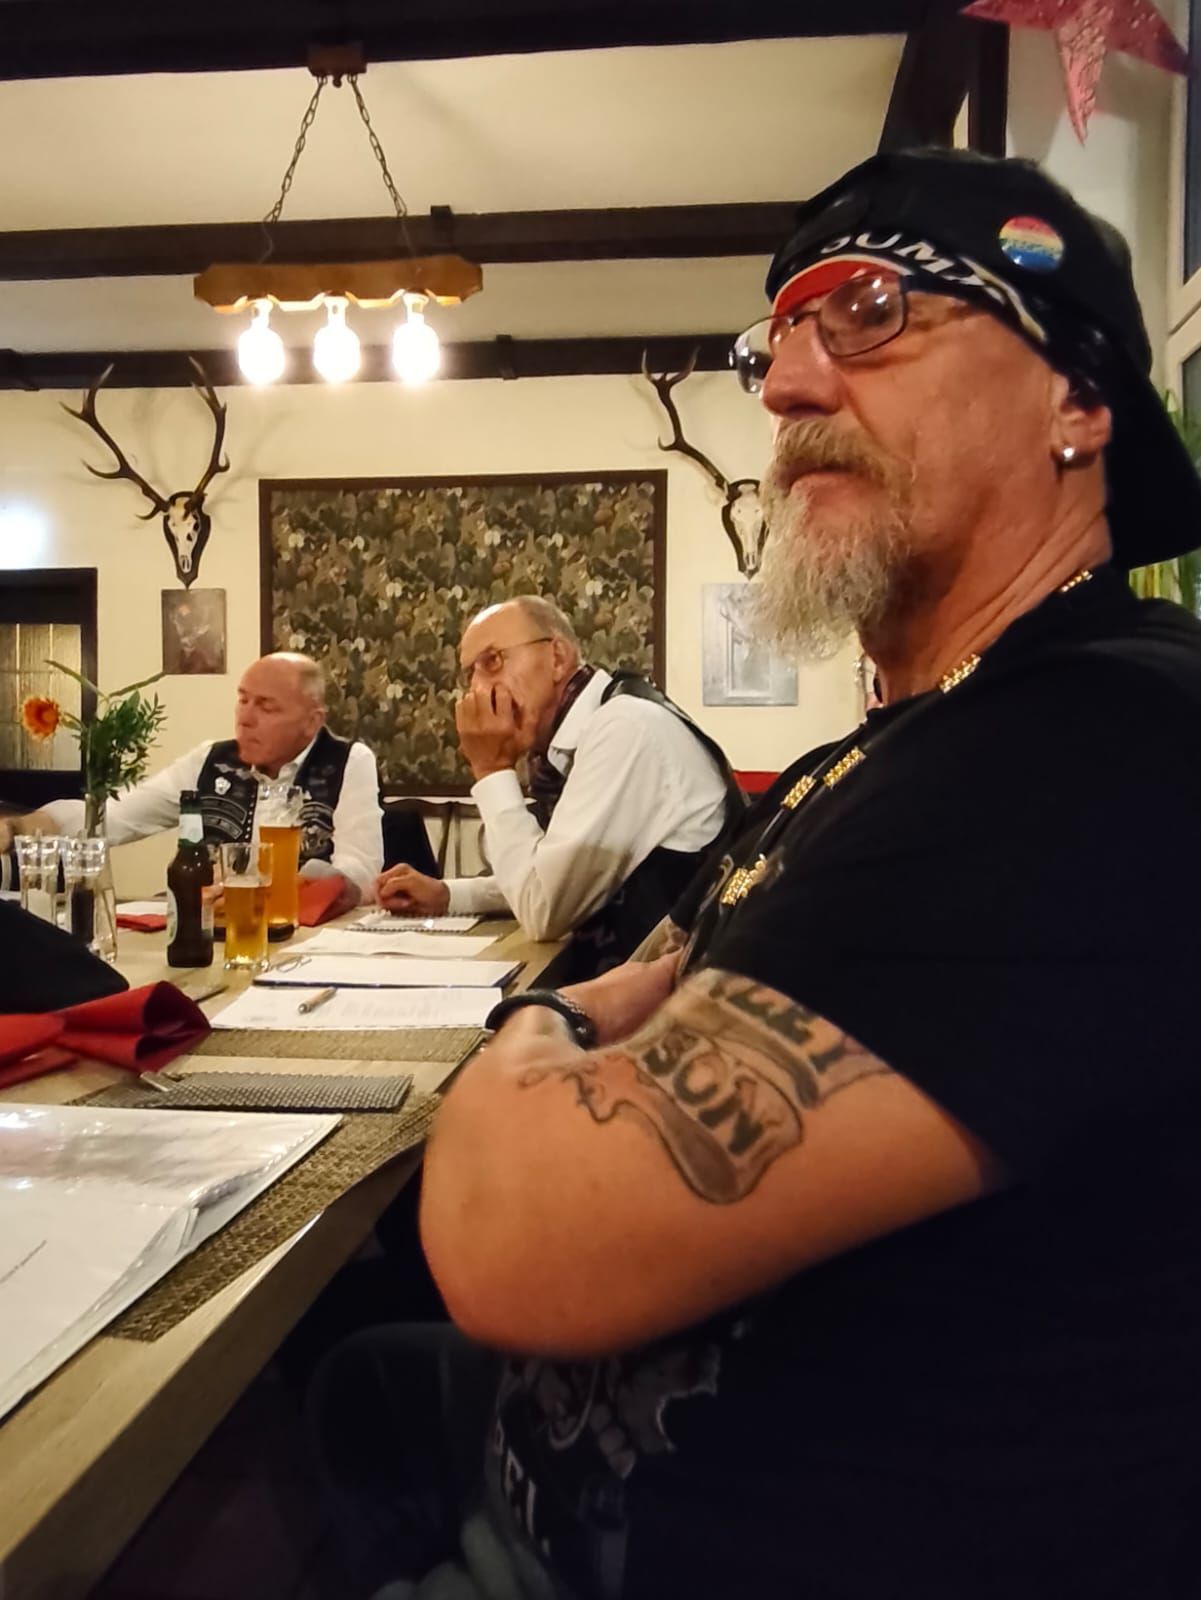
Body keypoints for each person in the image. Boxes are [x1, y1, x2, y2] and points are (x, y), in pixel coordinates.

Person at [313, 150, 1201, 1599]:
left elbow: (510, 1236)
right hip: (571, 1465)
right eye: (774, 340)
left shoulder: (1091, 743)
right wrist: (589, 1030)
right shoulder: (882, 757)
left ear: (1078, 399)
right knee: (342, 1375)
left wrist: (540, 1022)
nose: (785, 388)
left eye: (869, 311)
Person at [374, 597, 741, 980]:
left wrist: (490, 768)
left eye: (492, 661)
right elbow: (557, 874)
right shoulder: (602, 723)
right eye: (469, 675)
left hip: (674, 998)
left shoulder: (625, 727)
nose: (477, 690)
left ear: (558, 658)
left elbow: (543, 910)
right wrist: (450, 895)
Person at [2, 652, 383, 904]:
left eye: (266, 707)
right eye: (243, 700)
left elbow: (360, 872)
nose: (245, 718)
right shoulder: (209, 760)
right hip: (211, 933)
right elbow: (115, 815)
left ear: (312, 721)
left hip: (306, 941)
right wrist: (18, 827)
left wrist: (275, 891)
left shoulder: (349, 761)